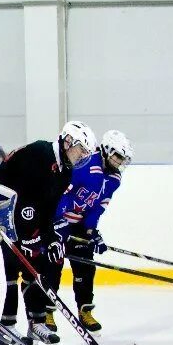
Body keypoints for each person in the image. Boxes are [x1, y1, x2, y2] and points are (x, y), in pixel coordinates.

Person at [0, 121, 96, 345]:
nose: (83, 156)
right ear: (68, 142)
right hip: (2, 212)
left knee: (37, 268)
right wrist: (29, 237)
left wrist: (50, 237)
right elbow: (23, 197)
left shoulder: (65, 170)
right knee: (10, 271)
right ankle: (6, 325)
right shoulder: (40, 153)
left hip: (24, 215)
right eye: (81, 149)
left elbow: (48, 207)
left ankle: (36, 322)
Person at [52, 130, 135, 332]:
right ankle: (46, 313)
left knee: (86, 267)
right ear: (106, 150)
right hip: (59, 221)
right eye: (117, 156)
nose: (119, 161)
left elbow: (98, 207)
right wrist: (57, 220)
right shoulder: (86, 163)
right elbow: (62, 191)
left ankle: (85, 310)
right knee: (53, 266)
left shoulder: (114, 178)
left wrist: (91, 231)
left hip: (79, 225)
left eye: (122, 158)